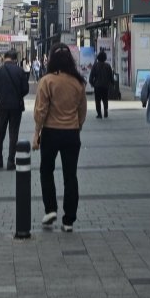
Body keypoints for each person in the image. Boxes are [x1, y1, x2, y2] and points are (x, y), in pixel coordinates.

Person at [33, 42, 87, 232]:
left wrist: (36, 133)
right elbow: (82, 110)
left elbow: (41, 110)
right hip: (72, 133)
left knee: (46, 170)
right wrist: (77, 126)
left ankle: (50, 209)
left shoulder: (47, 81)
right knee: (70, 176)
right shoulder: (78, 82)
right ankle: (69, 220)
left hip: (50, 132)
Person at [0, 49, 28, 171]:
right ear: (15, 59)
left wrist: (0, 96)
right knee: (13, 133)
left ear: (5, 58)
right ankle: (11, 160)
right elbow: (25, 89)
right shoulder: (20, 71)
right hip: (16, 106)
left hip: (1, 106)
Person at [88, 51, 113, 119]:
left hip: (97, 86)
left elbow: (91, 76)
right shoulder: (108, 66)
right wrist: (111, 83)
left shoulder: (95, 65)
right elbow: (111, 76)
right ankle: (105, 111)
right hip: (105, 86)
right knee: (105, 99)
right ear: (105, 58)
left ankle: (99, 114)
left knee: (97, 100)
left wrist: (92, 84)